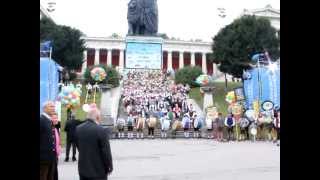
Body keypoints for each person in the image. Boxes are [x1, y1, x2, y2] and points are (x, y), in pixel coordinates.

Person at [75, 107, 113, 180]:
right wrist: (109, 166)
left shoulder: (78, 129)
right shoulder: (101, 130)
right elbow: (106, 151)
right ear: (98, 117)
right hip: (98, 170)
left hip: (83, 169)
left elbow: (78, 146)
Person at [40, 101, 58, 180]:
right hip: (43, 158)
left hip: (51, 157)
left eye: (54, 106)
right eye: (51, 106)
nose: (53, 108)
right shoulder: (41, 120)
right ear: (44, 108)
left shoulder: (48, 120)